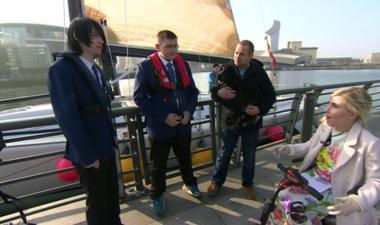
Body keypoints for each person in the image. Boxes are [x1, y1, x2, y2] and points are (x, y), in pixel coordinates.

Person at [271, 87, 380, 225]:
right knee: (281, 193)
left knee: (292, 205)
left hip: (336, 192)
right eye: (329, 103)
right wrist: (289, 148)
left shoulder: (370, 143)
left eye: (334, 105)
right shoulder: (326, 127)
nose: (327, 109)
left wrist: (358, 201)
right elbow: (309, 146)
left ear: (351, 113)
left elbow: (378, 181)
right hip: (312, 180)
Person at [48, 17, 122, 225]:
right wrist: (88, 155)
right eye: (93, 36)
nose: (100, 40)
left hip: (105, 145)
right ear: (77, 38)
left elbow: (102, 108)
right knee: (98, 203)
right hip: (89, 151)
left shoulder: (94, 68)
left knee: (111, 196)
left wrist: (112, 135)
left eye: (100, 35)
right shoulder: (61, 69)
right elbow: (67, 117)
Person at [133, 30, 201, 216]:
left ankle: (190, 184)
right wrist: (164, 117)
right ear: (158, 47)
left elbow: (193, 92)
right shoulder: (145, 68)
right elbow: (139, 98)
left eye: (175, 46)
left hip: (183, 123)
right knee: (159, 164)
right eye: (168, 46)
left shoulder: (183, 64)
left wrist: (189, 111)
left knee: (185, 157)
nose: (173, 50)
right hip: (161, 127)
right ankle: (157, 196)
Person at [207, 40, 276, 200]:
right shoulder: (226, 70)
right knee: (224, 153)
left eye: (242, 54)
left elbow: (270, 95)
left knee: (250, 155)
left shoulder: (258, 71)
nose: (238, 57)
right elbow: (214, 91)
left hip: (252, 120)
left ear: (251, 56)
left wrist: (261, 109)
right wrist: (218, 94)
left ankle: (248, 183)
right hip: (231, 120)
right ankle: (217, 181)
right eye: (236, 52)